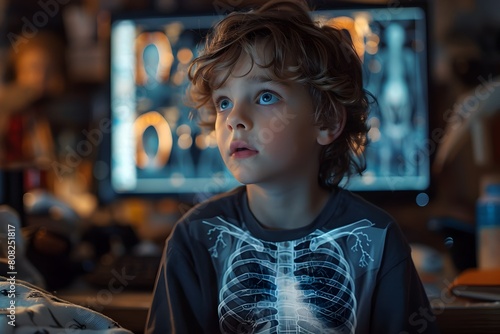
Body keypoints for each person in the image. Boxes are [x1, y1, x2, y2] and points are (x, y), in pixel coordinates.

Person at [146, 1, 440, 333]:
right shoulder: (193, 239)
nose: (234, 120)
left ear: (326, 121)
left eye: (266, 96)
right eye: (223, 102)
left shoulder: (377, 238)